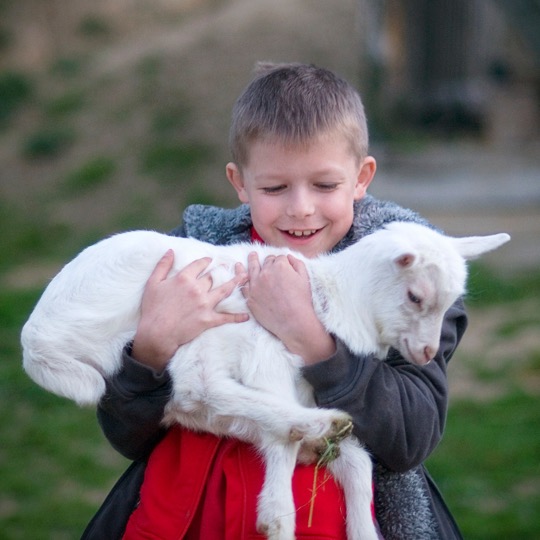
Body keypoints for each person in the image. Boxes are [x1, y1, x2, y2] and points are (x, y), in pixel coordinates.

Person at [83, 62, 466, 539]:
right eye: (274, 187)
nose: (300, 207)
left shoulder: (415, 279)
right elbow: (127, 435)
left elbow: (411, 436)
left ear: (362, 176)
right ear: (240, 182)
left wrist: (312, 340)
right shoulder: (190, 266)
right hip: (192, 515)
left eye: (325, 185)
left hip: (328, 518)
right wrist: (149, 353)